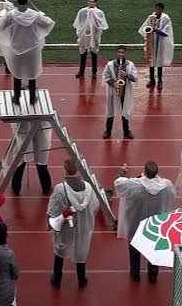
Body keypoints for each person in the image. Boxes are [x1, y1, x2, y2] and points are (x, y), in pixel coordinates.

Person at [114, 161, 176, 282]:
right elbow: (172, 195)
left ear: (145, 171)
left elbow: (118, 182)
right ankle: (153, 274)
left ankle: (135, 273)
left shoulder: (134, 184)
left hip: (135, 223)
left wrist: (122, 170)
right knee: (154, 248)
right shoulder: (166, 186)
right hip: (155, 225)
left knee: (134, 249)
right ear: (157, 172)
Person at [0, 0, 55, 104]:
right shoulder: (35, 15)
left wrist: (0, 16)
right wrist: (42, 15)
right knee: (32, 72)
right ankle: (32, 98)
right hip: (32, 48)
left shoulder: (10, 15)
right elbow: (48, 24)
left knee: (17, 72)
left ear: (17, 1)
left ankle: (16, 97)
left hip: (16, 48)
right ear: (27, 1)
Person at [48, 158, 95, 289]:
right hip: (83, 227)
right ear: (78, 170)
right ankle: (81, 279)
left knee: (60, 250)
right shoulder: (89, 188)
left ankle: (57, 279)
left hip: (65, 226)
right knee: (81, 250)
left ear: (65, 170)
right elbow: (94, 205)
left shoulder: (60, 189)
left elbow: (53, 209)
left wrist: (51, 221)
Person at [102, 45, 137, 139]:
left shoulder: (130, 65)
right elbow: (105, 77)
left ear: (125, 53)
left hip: (125, 92)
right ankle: (108, 131)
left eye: (123, 52)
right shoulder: (110, 64)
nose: (121, 54)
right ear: (116, 53)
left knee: (125, 111)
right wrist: (114, 84)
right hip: (113, 92)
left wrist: (127, 75)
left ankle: (126, 131)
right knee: (110, 111)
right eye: (119, 52)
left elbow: (135, 78)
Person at [140, 3, 174, 89]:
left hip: (160, 42)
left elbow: (166, 33)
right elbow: (145, 29)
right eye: (156, 9)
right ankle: (152, 80)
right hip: (152, 41)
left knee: (159, 61)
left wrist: (155, 30)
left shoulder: (166, 18)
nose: (156, 11)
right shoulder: (151, 17)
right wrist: (149, 30)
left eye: (159, 9)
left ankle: (160, 81)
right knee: (151, 60)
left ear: (162, 10)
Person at [74, 0, 108, 78]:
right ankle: (81, 71)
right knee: (83, 53)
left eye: (93, 2)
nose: (91, 3)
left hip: (94, 35)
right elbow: (79, 23)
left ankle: (94, 72)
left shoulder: (99, 12)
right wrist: (81, 32)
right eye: (90, 1)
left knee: (94, 53)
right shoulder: (82, 11)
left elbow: (101, 25)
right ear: (87, 2)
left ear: (96, 3)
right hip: (84, 34)